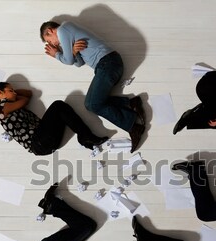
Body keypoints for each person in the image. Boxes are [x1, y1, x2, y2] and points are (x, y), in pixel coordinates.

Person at [40, 21, 145, 153]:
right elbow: (78, 63)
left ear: (50, 31)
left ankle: (133, 127)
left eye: (49, 40)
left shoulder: (63, 29)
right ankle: (131, 104)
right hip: (107, 66)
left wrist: (56, 54)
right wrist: (73, 51)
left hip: (108, 63)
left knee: (91, 104)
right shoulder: (69, 35)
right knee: (93, 103)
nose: (53, 45)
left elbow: (68, 61)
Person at [0, 82, 108, 155]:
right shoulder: (1, 107)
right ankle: (85, 137)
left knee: (62, 112)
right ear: (0, 93)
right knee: (58, 105)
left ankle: (85, 138)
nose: (15, 93)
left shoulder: (9, 105)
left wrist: (12, 92)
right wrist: (13, 96)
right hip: (38, 141)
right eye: (10, 90)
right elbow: (25, 100)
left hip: (45, 145)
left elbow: (29, 93)